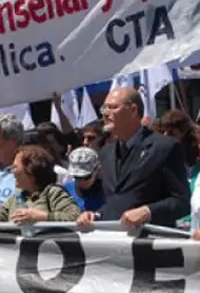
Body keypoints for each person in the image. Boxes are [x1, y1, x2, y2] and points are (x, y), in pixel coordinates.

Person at [77, 87, 190, 230]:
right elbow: (116, 202)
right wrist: (96, 215)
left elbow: (182, 202)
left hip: (149, 244)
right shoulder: (105, 153)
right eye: (104, 108)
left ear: (133, 110)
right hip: (113, 245)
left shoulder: (164, 147)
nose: (106, 113)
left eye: (113, 107)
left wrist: (147, 211)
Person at [63, 147, 105, 212]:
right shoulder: (65, 192)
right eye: (77, 177)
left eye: (86, 177)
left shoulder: (108, 192)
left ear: (97, 170)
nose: (82, 181)